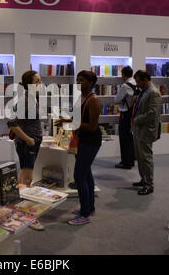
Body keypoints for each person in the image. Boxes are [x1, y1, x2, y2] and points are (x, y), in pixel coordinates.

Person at [61, 70, 102, 226]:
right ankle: (89, 208)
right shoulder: (81, 97)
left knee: (79, 176)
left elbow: (92, 126)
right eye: (77, 79)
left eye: (82, 80)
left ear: (91, 82)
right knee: (86, 174)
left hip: (90, 141)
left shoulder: (94, 101)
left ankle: (85, 214)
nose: (78, 82)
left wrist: (71, 121)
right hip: (82, 140)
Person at [7, 70, 44, 231]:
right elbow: (11, 123)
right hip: (27, 143)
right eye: (37, 81)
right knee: (27, 179)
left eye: (40, 81)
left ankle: (17, 209)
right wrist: (28, 139)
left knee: (23, 176)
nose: (40, 84)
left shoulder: (33, 98)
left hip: (32, 142)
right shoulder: (24, 100)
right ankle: (27, 216)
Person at [131, 70, 162, 196]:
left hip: (146, 130)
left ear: (145, 80)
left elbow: (152, 113)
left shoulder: (153, 92)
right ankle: (143, 179)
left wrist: (136, 120)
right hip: (139, 128)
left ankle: (149, 184)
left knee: (146, 158)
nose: (137, 84)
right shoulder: (144, 91)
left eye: (138, 81)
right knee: (140, 157)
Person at [114, 66, 138, 169]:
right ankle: (131, 159)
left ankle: (126, 162)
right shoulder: (135, 83)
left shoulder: (125, 86)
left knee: (124, 138)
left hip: (125, 113)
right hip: (133, 112)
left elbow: (116, 100)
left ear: (124, 74)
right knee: (129, 137)